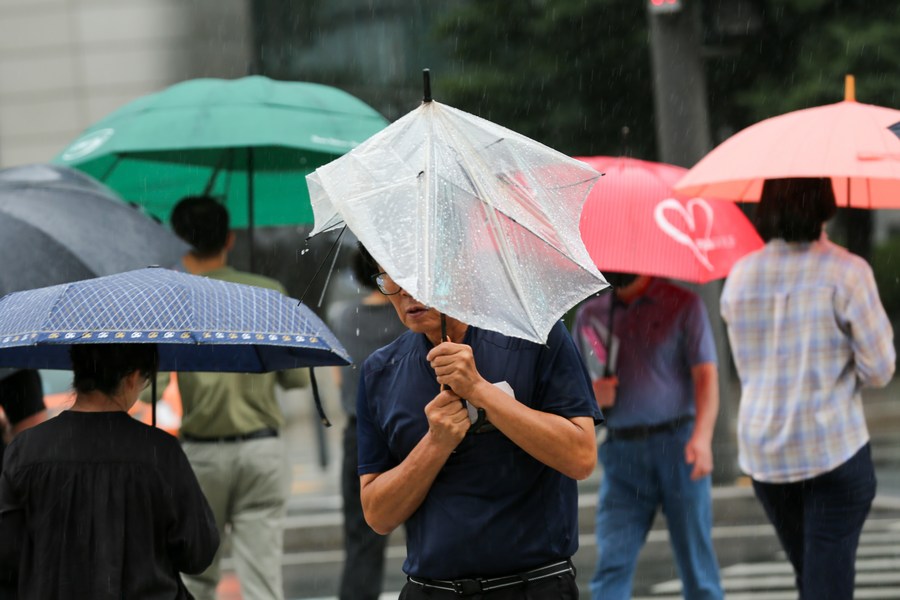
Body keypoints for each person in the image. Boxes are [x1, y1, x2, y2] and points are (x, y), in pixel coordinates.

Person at [355, 245, 601, 599]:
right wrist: (435, 443)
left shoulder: (533, 336)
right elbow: (378, 515)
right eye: (389, 276)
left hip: (532, 586)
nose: (404, 290)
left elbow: (580, 457)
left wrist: (481, 392)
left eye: (415, 271)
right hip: (431, 590)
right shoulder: (380, 372)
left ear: (456, 267)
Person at [720, 177, 895, 600]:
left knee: (811, 574)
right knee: (826, 580)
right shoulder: (847, 272)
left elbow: (749, 358)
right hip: (831, 449)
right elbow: (880, 369)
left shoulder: (741, 276)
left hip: (766, 456)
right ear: (825, 205)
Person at [163, 195, 310, 600]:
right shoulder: (267, 294)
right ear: (229, 238)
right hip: (262, 450)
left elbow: (152, 385)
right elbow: (295, 382)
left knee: (195, 576)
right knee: (263, 580)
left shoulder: (172, 298)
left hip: (200, 457)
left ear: (179, 240)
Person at [0, 343, 219, 599]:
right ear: (132, 377)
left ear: (78, 370)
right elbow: (197, 553)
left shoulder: (25, 451)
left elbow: (6, 554)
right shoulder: (160, 452)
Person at [572, 272, 723, 600]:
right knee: (612, 563)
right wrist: (595, 395)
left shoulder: (684, 304)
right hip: (621, 452)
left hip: (678, 444)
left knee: (698, 568)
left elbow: (706, 376)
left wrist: (702, 437)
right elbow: (577, 393)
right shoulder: (591, 316)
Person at [326, 247, 406, 600]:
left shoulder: (344, 317)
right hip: (416, 430)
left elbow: (339, 380)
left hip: (362, 435)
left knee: (362, 543)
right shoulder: (414, 317)